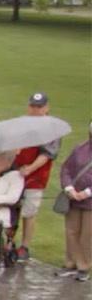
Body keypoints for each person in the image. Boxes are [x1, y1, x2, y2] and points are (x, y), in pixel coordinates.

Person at [11, 92, 62, 263]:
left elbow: (48, 154)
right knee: (11, 208)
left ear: (46, 108)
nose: (35, 110)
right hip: (16, 173)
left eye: (39, 107)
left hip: (36, 177)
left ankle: (25, 246)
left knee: (29, 212)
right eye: (33, 106)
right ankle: (9, 242)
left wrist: (30, 168)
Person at [58, 119, 92, 281]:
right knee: (71, 231)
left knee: (87, 234)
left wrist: (87, 192)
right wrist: (69, 188)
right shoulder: (80, 149)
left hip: (89, 201)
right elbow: (66, 169)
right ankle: (70, 263)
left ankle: (84, 266)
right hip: (74, 198)